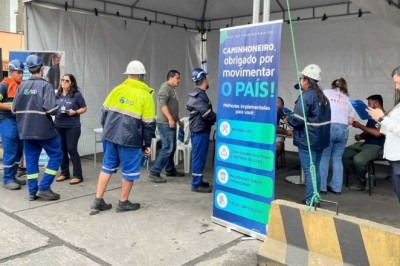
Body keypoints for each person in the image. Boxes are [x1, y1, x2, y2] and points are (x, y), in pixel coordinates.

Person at [91, 60, 156, 213]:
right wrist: (147, 144)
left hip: (110, 136)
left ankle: (98, 200)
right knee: (129, 171)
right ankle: (123, 202)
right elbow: (149, 124)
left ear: (128, 75)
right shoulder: (145, 96)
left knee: (107, 167)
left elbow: (104, 114)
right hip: (131, 139)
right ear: (142, 76)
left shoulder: (117, 90)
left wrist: (108, 129)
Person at [12, 54, 63, 201]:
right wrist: (59, 107)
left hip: (25, 130)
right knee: (56, 155)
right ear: (41, 68)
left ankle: (32, 192)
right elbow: (51, 109)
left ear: (28, 69)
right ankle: (44, 187)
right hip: (44, 130)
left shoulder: (21, 87)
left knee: (32, 161)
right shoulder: (46, 86)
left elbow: (14, 109)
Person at [287, 64, 331, 205]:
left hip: (308, 140)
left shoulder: (306, 97)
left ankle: (311, 200)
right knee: (315, 169)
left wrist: (288, 119)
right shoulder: (323, 97)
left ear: (305, 80)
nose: (300, 81)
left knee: (309, 170)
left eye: (301, 78)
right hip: (320, 140)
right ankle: (315, 198)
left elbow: (298, 121)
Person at [367, 66, 400, 202]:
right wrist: (380, 119)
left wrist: (382, 119)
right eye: (395, 83)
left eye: (399, 82)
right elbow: (388, 129)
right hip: (395, 156)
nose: (397, 87)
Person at [319, 78, 355, 195]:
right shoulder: (349, 100)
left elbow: (319, 109)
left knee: (324, 157)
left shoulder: (326, 92)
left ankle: (322, 187)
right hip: (343, 129)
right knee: (337, 159)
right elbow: (350, 121)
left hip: (329, 127)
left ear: (333, 85)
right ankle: (337, 188)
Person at [343, 95, 385, 191]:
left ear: (376, 103)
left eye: (369, 104)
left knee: (358, 160)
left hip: (377, 147)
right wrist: (361, 136)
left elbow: (378, 133)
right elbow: (368, 131)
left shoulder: (384, 116)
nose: (368, 106)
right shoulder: (372, 116)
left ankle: (361, 183)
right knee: (344, 154)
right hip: (365, 144)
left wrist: (360, 126)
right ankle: (366, 174)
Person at [148, 70, 184, 183]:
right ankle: (154, 172)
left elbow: (172, 107)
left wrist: (177, 120)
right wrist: (169, 119)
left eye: (179, 78)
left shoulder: (172, 89)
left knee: (171, 148)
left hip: (170, 122)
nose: (179, 80)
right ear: (171, 77)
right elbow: (162, 105)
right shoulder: (165, 88)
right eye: (177, 78)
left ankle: (170, 169)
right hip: (165, 123)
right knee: (168, 148)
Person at [186, 68, 216, 193]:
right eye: (207, 78)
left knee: (201, 157)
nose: (208, 80)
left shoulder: (200, 94)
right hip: (199, 131)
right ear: (204, 80)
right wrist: (223, 118)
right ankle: (196, 184)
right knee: (198, 157)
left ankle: (199, 180)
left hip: (201, 130)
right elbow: (207, 114)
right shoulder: (198, 96)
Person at [54, 74, 87, 185]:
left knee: (72, 149)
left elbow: (84, 108)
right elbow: (53, 107)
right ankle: (64, 173)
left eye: (67, 81)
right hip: (59, 125)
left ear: (71, 83)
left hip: (72, 126)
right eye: (62, 80)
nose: (63, 82)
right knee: (62, 150)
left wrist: (75, 112)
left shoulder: (76, 95)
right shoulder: (57, 94)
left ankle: (78, 175)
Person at [0, 59, 26, 190]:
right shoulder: (4, 86)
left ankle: (13, 175)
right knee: (10, 150)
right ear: (11, 72)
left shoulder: (22, 86)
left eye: (22, 72)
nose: (21, 75)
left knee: (19, 150)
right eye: (18, 72)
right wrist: (11, 108)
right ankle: (7, 179)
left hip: (19, 121)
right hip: (7, 121)